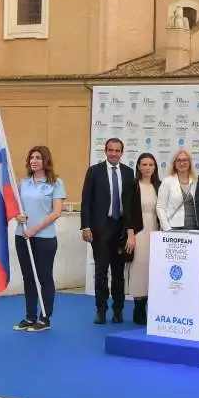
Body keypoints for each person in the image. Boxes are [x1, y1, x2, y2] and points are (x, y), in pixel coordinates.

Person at [80, 138, 135, 325]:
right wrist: (85, 226)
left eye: (117, 150)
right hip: (100, 229)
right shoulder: (94, 171)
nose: (113, 153)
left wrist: (131, 230)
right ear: (105, 151)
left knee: (119, 273)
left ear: (122, 152)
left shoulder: (129, 173)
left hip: (121, 229)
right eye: (110, 150)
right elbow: (86, 200)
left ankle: (118, 310)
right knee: (101, 272)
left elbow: (131, 203)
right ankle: (101, 310)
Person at [13, 146, 66, 332]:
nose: (34, 161)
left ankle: (45, 318)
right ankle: (30, 317)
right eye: (31, 158)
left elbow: (56, 212)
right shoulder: (22, 184)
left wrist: (34, 230)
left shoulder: (56, 183)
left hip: (44, 238)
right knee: (28, 277)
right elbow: (15, 208)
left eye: (38, 157)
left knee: (44, 277)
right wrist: (17, 216)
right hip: (22, 237)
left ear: (46, 161)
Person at [128, 153, 160, 325]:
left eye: (151, 164)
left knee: (153, 269)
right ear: (138, 167)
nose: (148, 167)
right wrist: (130, 235)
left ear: (155, 167)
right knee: (139, 268)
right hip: (139, 233)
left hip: (156, 232)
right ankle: (139, 308)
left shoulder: (160, 186)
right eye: (144, 164)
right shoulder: (133, 186)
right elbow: (128, 213)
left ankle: (150, 306)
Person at [156, 149, 198, 231]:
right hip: (173, 227)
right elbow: (160, 207)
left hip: (193, 227)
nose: (182, 163)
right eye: (178, 160)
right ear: (174, 164)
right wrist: (167, 228)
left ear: (189, 163)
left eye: (185, 160)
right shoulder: (167, 181)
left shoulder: (196, 181)